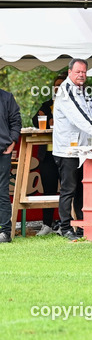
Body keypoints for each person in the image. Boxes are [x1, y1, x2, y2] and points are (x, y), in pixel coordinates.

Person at [53, 58, 92, 241]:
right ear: (69, 72)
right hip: (67, 150)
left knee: (81, 190)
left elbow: (90, 114)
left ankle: (83, 226)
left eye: (84, 72)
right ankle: (66, 227)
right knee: (68, 189)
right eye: (78, 72)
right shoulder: (66, 90)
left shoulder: (83, 91)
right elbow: (78, 117)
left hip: (83, 149)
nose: (81, 75)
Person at [33, 72, 66, 234]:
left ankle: (67, 223)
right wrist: (48, 118)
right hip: (47, 154)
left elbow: (59, 122)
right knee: (48, 189)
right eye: (56, 86)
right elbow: (35, 120)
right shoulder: (46, 104)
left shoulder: (71, 104)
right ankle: (47, 224)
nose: (58, 89)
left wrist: (50, 118)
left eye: (61, 86)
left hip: (66, 152)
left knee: (68, 190)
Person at [0, 86, 22, 243]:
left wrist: (12, 143)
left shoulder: (7, 97)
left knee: (2, 191)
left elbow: (16, 121)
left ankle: (5, 232)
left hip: (2, 151)